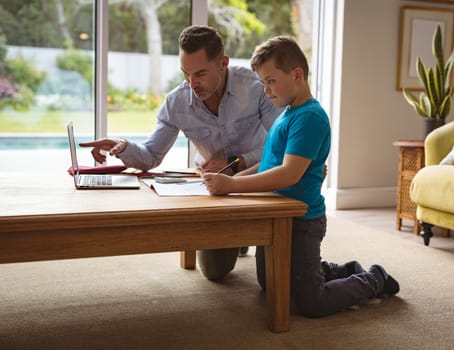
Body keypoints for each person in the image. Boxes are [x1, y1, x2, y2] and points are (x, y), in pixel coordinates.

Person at [203, 36, 399, 318]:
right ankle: (329, 270)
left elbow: (288, 174)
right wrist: (229, 178)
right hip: (276, 215)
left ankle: (374, 278)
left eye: (271, 81)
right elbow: (266, 165)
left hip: (302, 221)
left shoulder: (310, 117)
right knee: (270, 284)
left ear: (297, 75)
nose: (266, 90)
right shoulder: (286, 114)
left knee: (311, 303)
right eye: (263, 83)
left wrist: (233, 184)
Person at [80, 25, 283, 281]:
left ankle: (245, 234)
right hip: (214, 187)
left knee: (273, 267)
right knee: (215, 272)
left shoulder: (256, 87)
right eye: (185, 74)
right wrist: (122, 146)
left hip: (257, 177)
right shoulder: (177, 102)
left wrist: (235, 163)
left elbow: (280, 145)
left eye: (200, 74)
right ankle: (238, 238)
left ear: (223, 63)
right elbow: (151, 155)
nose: (192, 83)